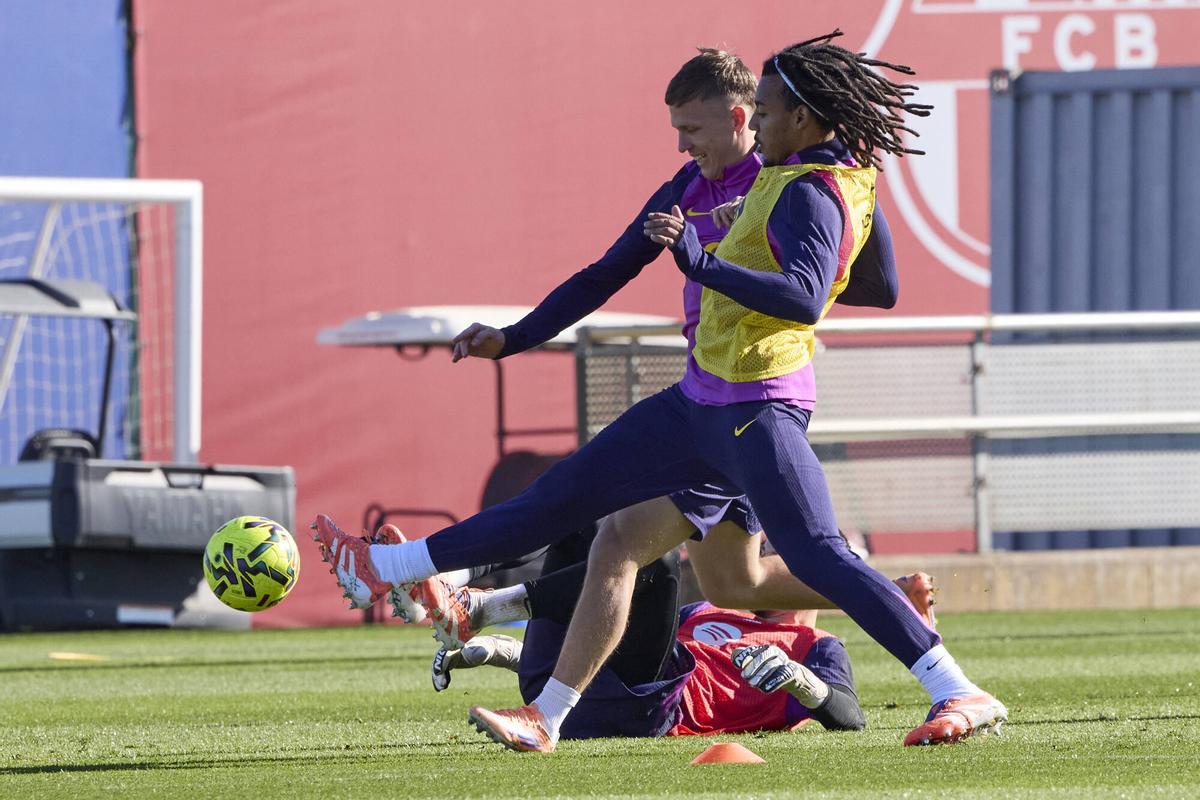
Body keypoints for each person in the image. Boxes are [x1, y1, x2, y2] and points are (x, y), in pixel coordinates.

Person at [312, 32, 1005, 751]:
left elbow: (804, 297)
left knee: (814, 554)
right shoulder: (791, 180)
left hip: (755, 406)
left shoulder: (810, 188)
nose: (756, 124)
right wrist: (516, 337)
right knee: (583, 511)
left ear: (787, 118)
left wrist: (709, 263)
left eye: (763, 112)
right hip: (701, 403)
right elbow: (873, 282)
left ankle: (956, 687)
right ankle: (483, 657)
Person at [412, 526, 936, 741]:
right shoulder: (712, 607)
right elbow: (609, 624)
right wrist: (508, 654)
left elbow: (850, 718)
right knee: (583, 526)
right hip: (567, 690)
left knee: (654, 558)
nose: (773, 560)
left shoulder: (817, 647)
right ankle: (459, 580)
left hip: (646, 708)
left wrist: (802, 683)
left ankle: (481, 605)